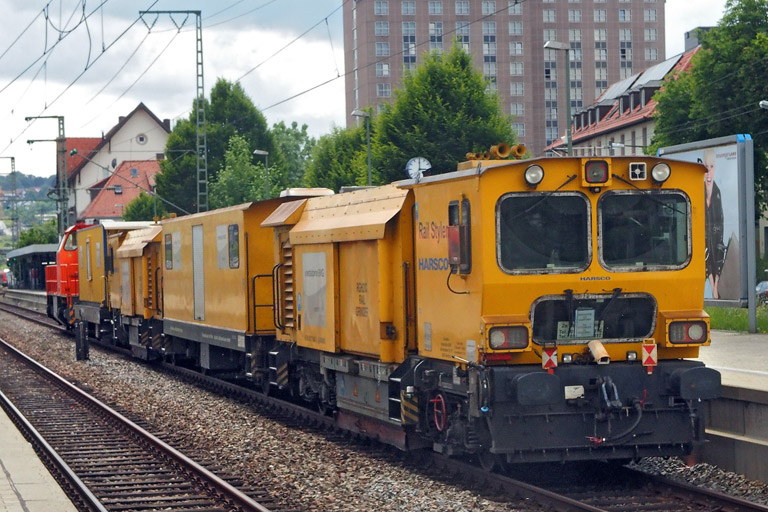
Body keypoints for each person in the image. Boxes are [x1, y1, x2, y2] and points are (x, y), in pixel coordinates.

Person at [701, 152, 725, 299]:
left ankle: (715, 286)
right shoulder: (697, 191)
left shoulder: (717, 193)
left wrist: (716, 284)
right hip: (702, 250)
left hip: (714, 244)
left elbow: (719, 238)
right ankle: (713, 285)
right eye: (706, 167)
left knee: (718, 246)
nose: (708, 172)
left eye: (712, 166)